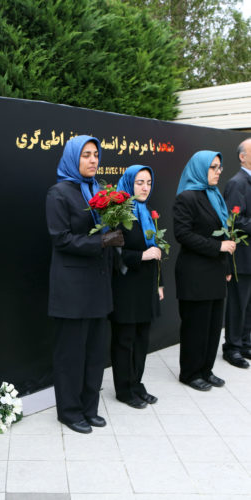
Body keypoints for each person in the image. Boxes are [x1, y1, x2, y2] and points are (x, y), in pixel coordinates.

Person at [46, 135, 124, 434]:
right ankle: (69, 411)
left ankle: (89, 408)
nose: (93, 160)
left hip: (98, 284)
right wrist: (103, 239)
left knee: (94, 352)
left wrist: (115, 228)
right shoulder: (58, 193)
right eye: (86, 155)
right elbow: (61, 238)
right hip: (72, 288)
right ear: (73, 158)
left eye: (96, 155)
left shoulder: (101, 190)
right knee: (71, 354)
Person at [173, 150, 235, 392]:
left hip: (215, 271)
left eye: (219, 167)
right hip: (194, 273)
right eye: (213, 167)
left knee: (212, 326)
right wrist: (218, 246)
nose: (218, 172)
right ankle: (190, 373)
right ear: (199, 168)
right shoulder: (186, 197)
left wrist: (227, 264)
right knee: (195, 326)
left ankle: (206, 370)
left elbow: (225, 233)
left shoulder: (215, 195)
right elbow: (183, 235)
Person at [110, 165, 164, 409]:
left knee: (142, 339)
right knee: (125, 339)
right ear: (129, 183)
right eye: (140, 182)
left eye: (149, 183)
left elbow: (157, 251)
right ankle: (124, 388)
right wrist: (142, 256)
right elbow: (115, 253)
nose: (145, 187)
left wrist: (159, 283)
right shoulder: (118, 213)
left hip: (146, 285)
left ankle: (136, 382)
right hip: (126, 287)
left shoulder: (146, 212)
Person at [222, 138, 251, 369]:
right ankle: (232, 348)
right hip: (241, 256)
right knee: (237, 304)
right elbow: (234, 220)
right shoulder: (237, 183)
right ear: (242, 156)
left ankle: (245, 342)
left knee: (249, 304)